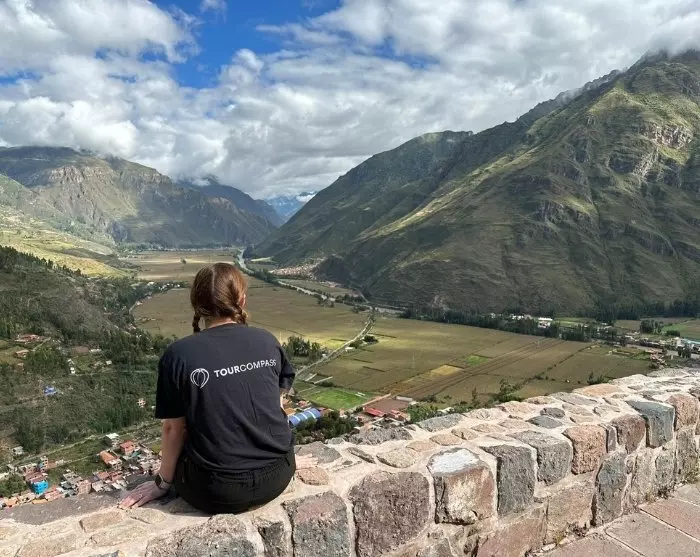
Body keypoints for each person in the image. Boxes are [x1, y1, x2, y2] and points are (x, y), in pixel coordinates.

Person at [120, 262, 313, 513]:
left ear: (197, 304)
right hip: (279, 475)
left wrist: (162, 483)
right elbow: (275, 408)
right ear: (241, 301)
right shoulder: (267, 341)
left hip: (215, 491)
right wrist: (287, 459)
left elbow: (173, 429)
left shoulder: (178, 355)